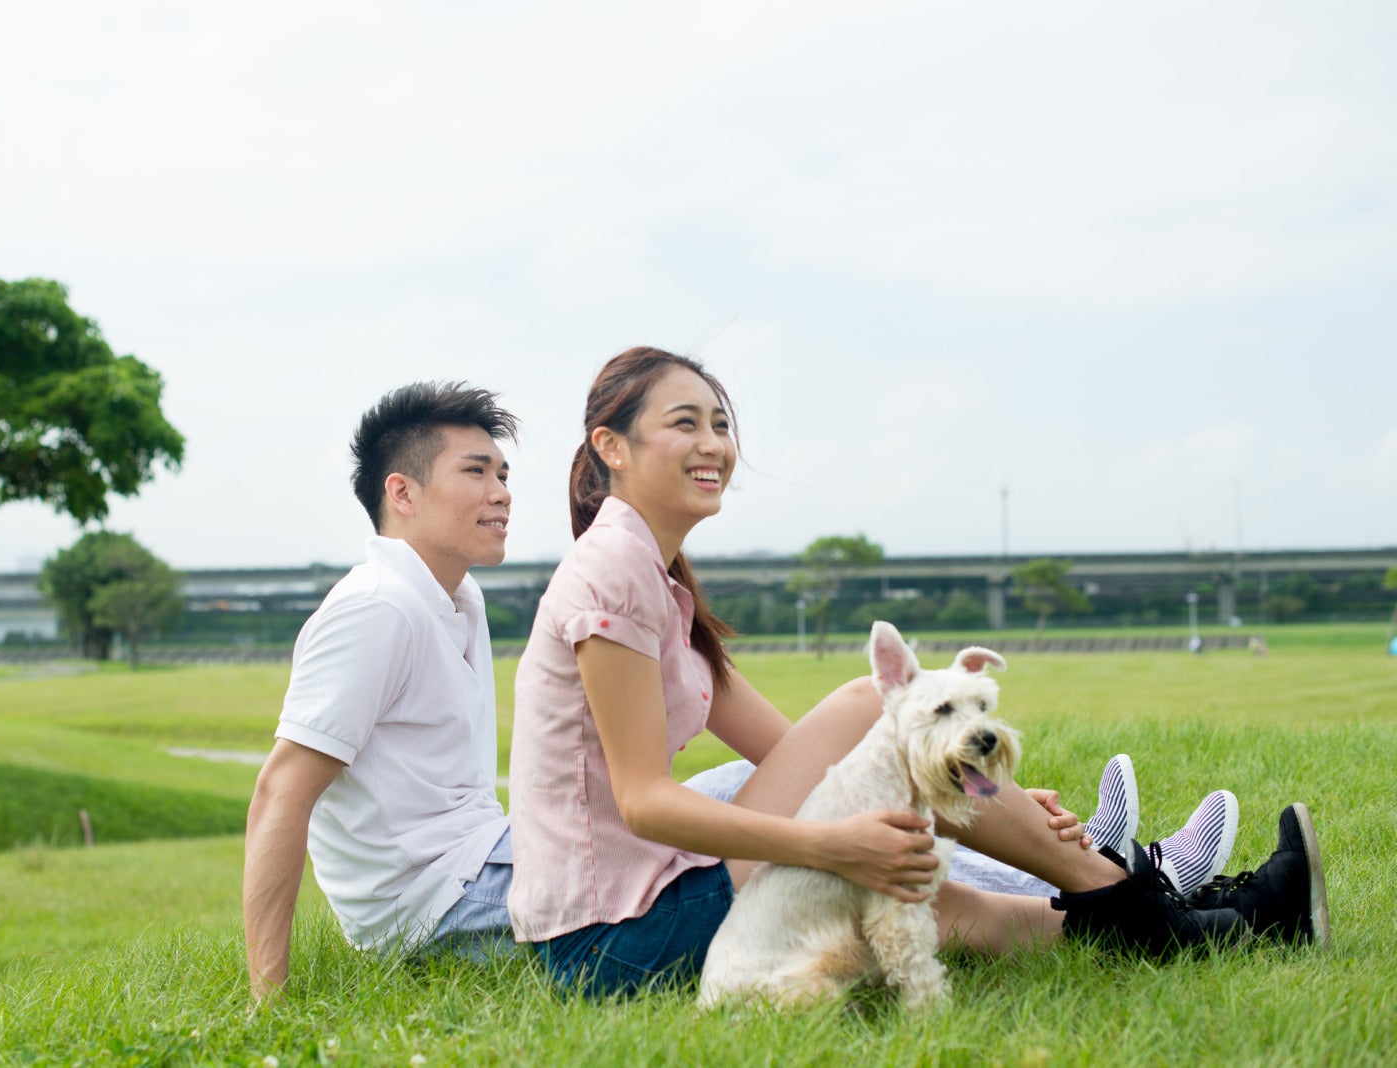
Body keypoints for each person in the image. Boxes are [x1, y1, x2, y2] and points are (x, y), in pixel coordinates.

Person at [506, 347, 1327, 996]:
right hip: (616, 939)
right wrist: (834, 842)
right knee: (880, 703)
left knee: (942, 889)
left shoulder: (656, 575)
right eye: (685, 424)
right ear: (611, 447)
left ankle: (1208, 927)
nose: (715, 444)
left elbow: (802, 753)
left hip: (648, 908)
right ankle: (1138, 893)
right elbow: (646, 800)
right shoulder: (611, 569)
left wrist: (972, 798)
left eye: (721, 423)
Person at [243, 381, 522, 1001]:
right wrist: (269, 999)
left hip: (483, 859)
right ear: (402, 491)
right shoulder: (378, 608)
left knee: (733, 797)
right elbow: (280, 791)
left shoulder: (459, 598)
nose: (501, 493)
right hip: (437, 907)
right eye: (476, 472)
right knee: (706, 843)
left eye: (503, 474)